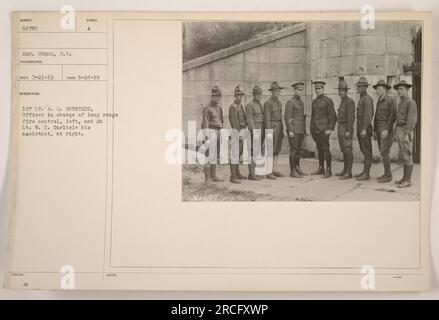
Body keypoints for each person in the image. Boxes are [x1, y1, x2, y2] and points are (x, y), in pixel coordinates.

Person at [393, 80, 418, 188]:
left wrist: (407, 133)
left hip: (405, 130)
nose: (399, 91)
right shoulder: (400, 103)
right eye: (398, 89)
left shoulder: (410, 102)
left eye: (401, 89)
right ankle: (404, 178)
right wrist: (395, 132)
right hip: (399, 129)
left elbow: (411, 120)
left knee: (407, 155)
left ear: (407, 90)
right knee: (403, 155)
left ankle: (408, 180)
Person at [310, 80, 337, 178]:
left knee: (326, 149)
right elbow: (313, 117)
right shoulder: (314, 101)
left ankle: (328, 169)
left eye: (319, 88)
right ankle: (321, 168)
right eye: (316, 89)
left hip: (324, 130)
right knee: (319, 149)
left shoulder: (328, 101)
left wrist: (330, 129)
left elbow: (333, 116)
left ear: (323, 89)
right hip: (316, 130)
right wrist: (311, 130)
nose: (317, 91)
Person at [372, 80, 397, 183]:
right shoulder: (379, 100)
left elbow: (393, 115)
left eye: (381, 89)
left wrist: (386, 129)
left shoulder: (391, 100)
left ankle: (388, 175)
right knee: (383, 152)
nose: (379, 91)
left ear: (386, 90)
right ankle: (386, 173)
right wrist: (374, 130)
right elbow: (377, 116)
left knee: (384, 152)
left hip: (385, 129)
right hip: (379, 129)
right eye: (378, 89)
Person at [200, 85, 224, 183]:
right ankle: (207, 178)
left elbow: (221, 121)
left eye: (218, 96)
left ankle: (213, 175)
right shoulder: (207, 109)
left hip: (218, 132)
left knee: (215, 155)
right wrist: (206, 138)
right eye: (215, 96)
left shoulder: (219, 108)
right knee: (208, 155)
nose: (217, 98)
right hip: (210, 132)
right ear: (212, 96)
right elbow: (205, 123)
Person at [284, 82, 306, 178]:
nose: (300, 92)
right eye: (298, 90)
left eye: (301, 90)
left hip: (300, 130)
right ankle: (292, 171)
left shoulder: (301, 102)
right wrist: (290, 130)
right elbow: (288, 117)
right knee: (294, 150)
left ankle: (297, 168)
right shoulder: (290, 102)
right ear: (294, 90)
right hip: (294, 131)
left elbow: (301, 117)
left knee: (299, 150)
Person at [264, 81, 285, 179]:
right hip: (272, 127)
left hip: (279, 127)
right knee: (270, 150)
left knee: (277, 150)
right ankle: (268, 171)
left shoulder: (279, 103)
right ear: (271, 92)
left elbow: (281, 117)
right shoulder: (268, 103)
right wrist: (268, 132)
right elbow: (267, 118)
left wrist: (282, 130)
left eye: (278, 90)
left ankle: (274, 169)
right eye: (275, 91)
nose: (277, 92)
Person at [335, 81, 356, 180]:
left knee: (348, 149)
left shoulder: (349, 102)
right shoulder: (342, 101)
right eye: (340, 90)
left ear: (346, 91)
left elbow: (351, 117)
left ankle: (348, 172)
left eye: (343, 90)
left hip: (346, 128)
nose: (341, 92)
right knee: (344, 150)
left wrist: (348, 130)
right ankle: (344, 170)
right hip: (340, 127)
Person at [355, 77, 374, 181]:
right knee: (364, 150)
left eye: (360, 86)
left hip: (364, 129)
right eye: (358, 86)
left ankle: (366, 174)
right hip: (361, 127)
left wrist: (364, 129)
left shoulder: (367, 98)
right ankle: (364, 172)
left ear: (365, 87)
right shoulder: (362, 98)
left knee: (367, 151)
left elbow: (368, 115)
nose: (357, 88)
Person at [228, 85, 247, 184]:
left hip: (242, 131)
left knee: (239, 153)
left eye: (241, 96)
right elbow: (233, 121)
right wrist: (237, 133)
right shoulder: (233, 107)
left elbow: (243, 119)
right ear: (235, 96)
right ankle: (233, 176)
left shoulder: (241, 106)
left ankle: (238, 173)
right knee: (235, 154)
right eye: (238, 96)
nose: (240, 97)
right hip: (237, 133)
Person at [245, 85, 264, 181]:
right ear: (254, 95)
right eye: (257, 94)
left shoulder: (260, 105)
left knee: (257, 152)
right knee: (252, 152)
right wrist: (254, 132)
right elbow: (249, 119)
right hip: (254, 132)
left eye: (260, 94)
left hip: (260, 130)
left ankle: (255, 173)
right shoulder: (250, 105)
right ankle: (251, 174)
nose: (259, 96)